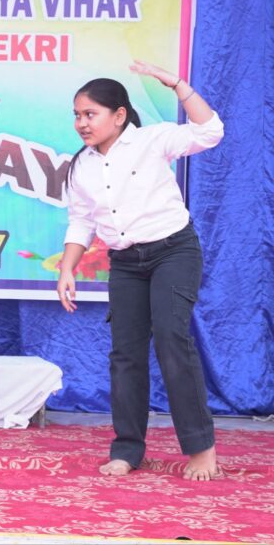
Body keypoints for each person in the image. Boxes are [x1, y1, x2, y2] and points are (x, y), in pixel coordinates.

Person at [57, 61, 223, 481]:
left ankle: (201, 448)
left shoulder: (153, 140)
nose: (81, 123)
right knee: (125, 354)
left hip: (173, 252)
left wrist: (179, 85)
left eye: (90, 114)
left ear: (119, 115)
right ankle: (127, 449)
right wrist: (67, 268)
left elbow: (210, 131)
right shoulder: (82, 166)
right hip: (126, 264)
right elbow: (81, 221)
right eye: (77, 115)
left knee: (171, 338)